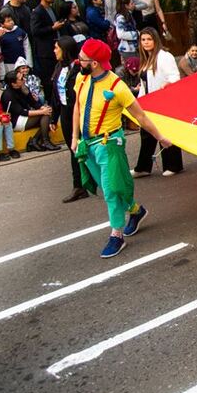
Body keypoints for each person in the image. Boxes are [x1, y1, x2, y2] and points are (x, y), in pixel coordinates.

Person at [71, 38, 170, 258]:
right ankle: (136, 210)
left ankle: (116, 234)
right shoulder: (81, 78)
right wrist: (75, 137)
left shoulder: (117, 86)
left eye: (83, 58)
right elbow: (77, 108)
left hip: (109, 145)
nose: (79, 61)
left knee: (111, 190)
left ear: (94, 62)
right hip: (88, 145)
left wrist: (160, 136)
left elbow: (140, 116)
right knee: (108, 187)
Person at [131, 28, 184, 178]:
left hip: (163, 101)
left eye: (149, 39)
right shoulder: (146, 58)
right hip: (148, 101)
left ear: (155, 40)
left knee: (165, 132)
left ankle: (173, 165)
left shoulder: (164, 57)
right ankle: (143, 167)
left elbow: (174, 76)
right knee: (146, 133)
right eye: (143, 40)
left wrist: (167, 85)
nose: (146, 43)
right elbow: (144, 82)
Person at [49, 36, 87, 202]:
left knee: (87, 146)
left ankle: (90, 180)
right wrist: (53, 118)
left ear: (65, 50)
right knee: (73, 149)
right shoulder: (58, 67)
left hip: (80, 113)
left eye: (57, 48)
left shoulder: (79, 68)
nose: (54, 51)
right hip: (65, 113)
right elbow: (55, 94)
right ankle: (79, 186)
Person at [1, 69, 57, 151]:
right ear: (13, 84)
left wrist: (43, 108)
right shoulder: (8, 95)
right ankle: (44, 141)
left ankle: (36, 140)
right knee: (46, 115)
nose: (24, 79)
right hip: (16, 120)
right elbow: (22, 112)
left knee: (49, 113)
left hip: (26, 115)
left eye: (23, 77)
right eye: (21, 79)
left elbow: (33, 103)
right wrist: (42, 111)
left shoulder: (23, 88)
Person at [31, 0, 65, 87]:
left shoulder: (51, 8)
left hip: (56, 47)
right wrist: (52, 28)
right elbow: (35, 30)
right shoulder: (37, 12)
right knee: (48, 77)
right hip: (46, 51)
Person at [0, 10, 30, 76]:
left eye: (11, 20)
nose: (11, 22)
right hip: (8, 64)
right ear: (2, 24)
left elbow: (27, 48)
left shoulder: (20, 31)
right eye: (8, 21)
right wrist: (2, 73)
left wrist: (29, 63)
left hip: (22, 63)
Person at [114, 0, 140, 65]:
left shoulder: (129, 15)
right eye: (131, 3)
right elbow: (120, 34)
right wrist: (136, 34)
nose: (133, 5)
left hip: (133, 47)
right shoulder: (121, 18)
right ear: (126, 6)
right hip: (127, 49)